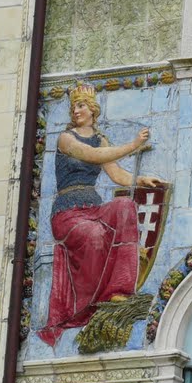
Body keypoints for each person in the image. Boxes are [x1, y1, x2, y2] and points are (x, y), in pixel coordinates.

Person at [38, 84, 163, 346]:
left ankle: (119, 289)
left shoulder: (100, 138)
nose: (76, 110)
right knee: (94, 235)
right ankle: (87, 304)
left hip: (93, 208)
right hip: (68, 214)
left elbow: (116, 175)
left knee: (124, 206)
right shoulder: (66, 138)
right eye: (74, 106)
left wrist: (141, 179)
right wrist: (132, 145)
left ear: (93, 109)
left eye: (81, 105)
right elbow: (93, 156)